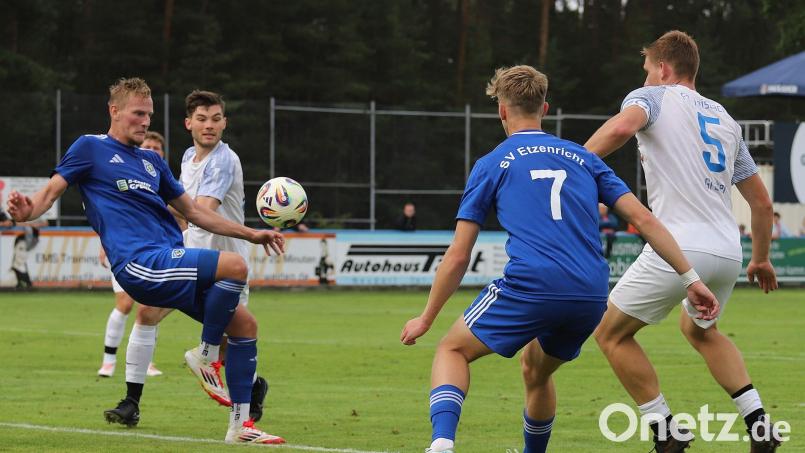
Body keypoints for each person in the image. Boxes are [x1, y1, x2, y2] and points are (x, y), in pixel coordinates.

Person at [400, 65, 718, 453]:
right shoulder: (584, 158)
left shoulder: (492, 163)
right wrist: (691, 278)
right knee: (535, 371)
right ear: (544, 108)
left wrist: (427, 318)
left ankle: (441, 445)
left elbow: (458, 255)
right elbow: (644, 219)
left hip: (533, 284)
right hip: (589, 296)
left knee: (452, 349)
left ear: (502, 111)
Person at [6, 78, 285, 444]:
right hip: (140, 263)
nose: (144, 121)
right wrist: (27, 212)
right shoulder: (90, 148)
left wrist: (253, 233)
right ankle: (205, 355)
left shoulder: (153, 162)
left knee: (245, 326)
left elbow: (197, 214)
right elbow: (49, 193)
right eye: (138, 113)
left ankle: (240, 427)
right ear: (115, 111)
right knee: (235, 267)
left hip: (169, 258)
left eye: (149, 115)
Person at [581, 31, 781, 452]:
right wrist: (760, 259)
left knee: (610, 334)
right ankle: (760, 426)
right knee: (702, 331)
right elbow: (761, 204)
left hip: (678, 246)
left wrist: (572, 164)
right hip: (728, 250)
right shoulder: (726, 120)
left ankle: (665, 431)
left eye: (649, 70)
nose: (646, 77)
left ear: (664, 69)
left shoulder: (651, 97)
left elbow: (621, 126)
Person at [106, 90, 272, 432]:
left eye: (215, 119)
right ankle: (131, 403)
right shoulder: (186, 157)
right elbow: (181, 209)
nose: (208, 126)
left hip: (225, 267)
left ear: (225, 122)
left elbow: (200, 211)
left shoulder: (224, 160)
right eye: (201, 119)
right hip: (190, 259)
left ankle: (250, 389)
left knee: (234, 340)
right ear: (188, 124)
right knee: (146, 312)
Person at [97, 131, 167, 378]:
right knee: (125, 304)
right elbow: (109, 211)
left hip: (156, 252)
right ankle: (108, 360)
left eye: (157, 148)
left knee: (150, 306)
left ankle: (145, 362)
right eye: (148, 146)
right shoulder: (124, 173)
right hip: (124, 251)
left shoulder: (163, 181)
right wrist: (104, 243)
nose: (152, 150)